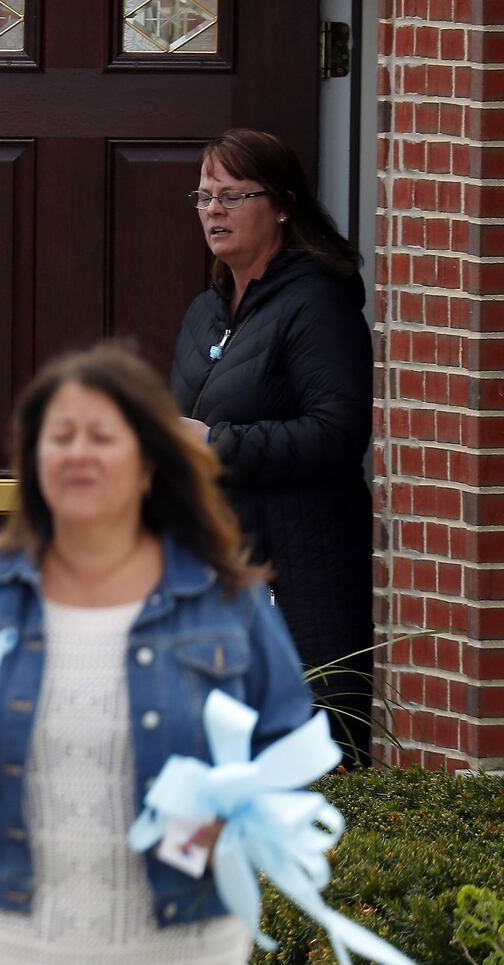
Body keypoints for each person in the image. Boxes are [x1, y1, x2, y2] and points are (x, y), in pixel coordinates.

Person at [0, 345, 318, 965]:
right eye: (59, 436)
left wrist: (232, 819)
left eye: (103, 436)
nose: (79, 452)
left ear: (149, 464)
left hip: (179, 941)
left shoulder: (225, 598)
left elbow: (291, 741)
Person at [168, 128, 373, 762]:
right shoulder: (207, 312)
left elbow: (338, 435)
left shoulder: (316, 303)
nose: (214, 212)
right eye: (203, 198)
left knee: (304, 773)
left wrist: (216, 444)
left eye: (232, 195)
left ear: (282, 204)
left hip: (301, 578)